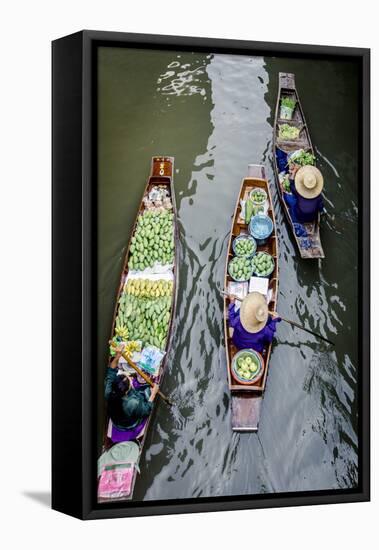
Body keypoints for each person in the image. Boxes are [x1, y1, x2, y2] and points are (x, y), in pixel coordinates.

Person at [104, 343, 160, 432]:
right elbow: (146, 411)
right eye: (129, 381)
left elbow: (111, 371)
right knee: (147, 391)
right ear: (126, 392)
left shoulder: (108, 391)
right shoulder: (133, 403)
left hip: (117, 419)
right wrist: (153, 394)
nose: (130, 378)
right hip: (129, 424)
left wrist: (118, 356)